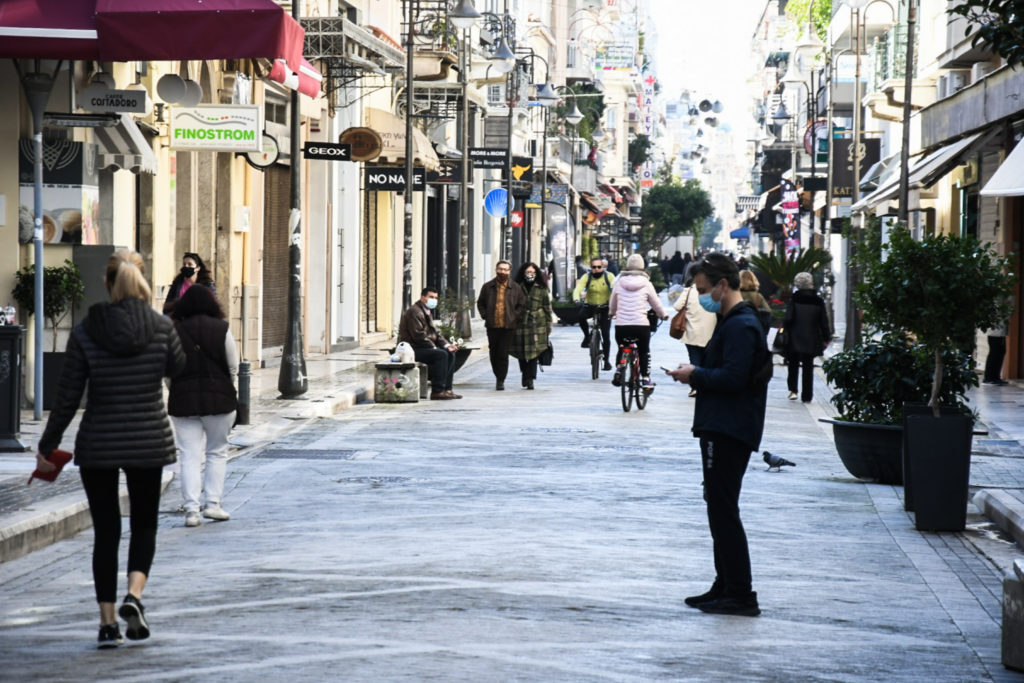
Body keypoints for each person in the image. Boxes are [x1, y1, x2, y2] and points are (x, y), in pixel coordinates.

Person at [35, 249, 185, 648]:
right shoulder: (160, 326)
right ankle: (134, 596)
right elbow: (178, 368)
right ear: (143, 281)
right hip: (148, 439)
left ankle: (106, 624)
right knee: (145, 525)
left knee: (106, 532)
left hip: (98, 442)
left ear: (106, 283)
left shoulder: (86, 331)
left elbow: (67, 395)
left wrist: (47, 445)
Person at [667, 253, 769, 617]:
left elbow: (733, 378)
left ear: (723, 285)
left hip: (730, 426)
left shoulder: (741, 325)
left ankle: (740, 592)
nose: (702, 296)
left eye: (704, 289)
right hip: (723, 424)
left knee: (724, 509)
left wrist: (693, 374)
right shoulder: (733, 321)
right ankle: (724, 585)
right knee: (718, 506)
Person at [168, 285, 239, 528]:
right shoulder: (222, 329)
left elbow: (168, 370)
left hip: (183, 401)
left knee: (189, 454)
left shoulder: (175, 331)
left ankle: (191, 510)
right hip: (219, 401)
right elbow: (233, 366)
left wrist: (174, 387)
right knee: (217, 451)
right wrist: (230, 389)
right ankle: (213, 504)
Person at [609, 254, 669, 389]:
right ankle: (646, 379)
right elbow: (656, 304)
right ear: (643, 267)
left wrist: (611, 313)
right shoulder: (647, 284)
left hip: (622, 326)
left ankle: (619, 368)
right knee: (643, 351)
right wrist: (663, 315)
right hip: (641, 325)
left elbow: (613, 303)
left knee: (622, 347)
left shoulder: (619, 283)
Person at [398, 287, 462, 400]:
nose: (434, 300)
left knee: (449, 353)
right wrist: (434, 348)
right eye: (431, 297)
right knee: (441, 355)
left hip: (422, 347)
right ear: (423, 297)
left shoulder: (426, 311)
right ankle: (437, 391)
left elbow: (435, 333)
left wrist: (447, 345)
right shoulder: (415, 312)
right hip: (412, 349)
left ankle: (447, 389)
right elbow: (418, 336)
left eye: (436, 298)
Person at [782, 272, 831, 402]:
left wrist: (785, 330)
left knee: (793, 364)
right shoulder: (818, 301)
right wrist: (827, 337)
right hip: (811, 337)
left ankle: (793, 390)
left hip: (794, 336)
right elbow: (823, 321)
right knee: (808, 367)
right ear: (810, 284)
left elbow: (788, 319)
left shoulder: (794, 299)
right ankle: (807, 395)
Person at [477, 260, 525, 390]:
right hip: (492, 325)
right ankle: (497, 374)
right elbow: (480, 303)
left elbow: (521, 305)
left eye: (505, 270)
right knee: (494, 352)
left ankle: (500, 379)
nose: (502, 272)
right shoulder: (487, 287)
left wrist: (514, 316)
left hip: (508, 326)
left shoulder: (515, 287)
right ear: (496, 270)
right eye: (500, 269)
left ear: (509, 271)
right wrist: (485, 315)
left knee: (503, 353)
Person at [511, 262, 553, 390]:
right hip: (520, 322)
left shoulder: (542, 288)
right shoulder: (516, 287)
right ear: (523, 273)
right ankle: (525, 373)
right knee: (521, 351)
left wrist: (548, 325)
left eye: (533, 273)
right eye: (528, 272)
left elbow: (547, 307)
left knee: (535, 352)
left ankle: (530, 378)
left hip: (537, 323)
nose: (530, 275)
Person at [674, 276, 717, 397]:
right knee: (708, 358)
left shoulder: (689, 291)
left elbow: (677, 306)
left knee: (694, 358)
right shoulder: (714, 291)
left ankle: (696, 387)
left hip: (692, 331)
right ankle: (706, 385)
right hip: (710, 332)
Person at [572, 256, 615, 370]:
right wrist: (576, 299)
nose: (596, 269)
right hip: (590, 305)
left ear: (603, 267)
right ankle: (587, 336)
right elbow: (578, 288)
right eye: (594, 267)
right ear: (591, 267)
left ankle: (606, 361)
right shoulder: (587, 276)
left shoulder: (609, 276)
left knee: (606, 334)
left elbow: (616, 289)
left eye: (599, 267)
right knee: (580, 316)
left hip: (605, 307)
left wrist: (616, 304)